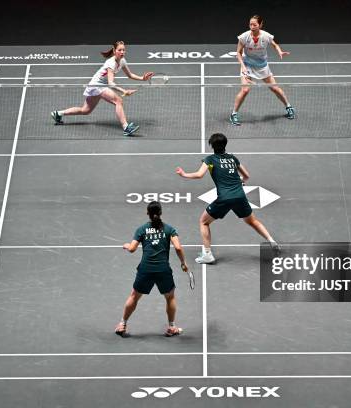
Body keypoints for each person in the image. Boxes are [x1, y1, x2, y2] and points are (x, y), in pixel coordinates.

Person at [176, 133, 278, 264]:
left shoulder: (210, 160)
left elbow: (199, 175)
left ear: (212, 146)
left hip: (224, 198)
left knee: (203, 222)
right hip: (240, 196)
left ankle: (207, 254)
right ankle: (271, 241)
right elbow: (246, 176)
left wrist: (184, 174)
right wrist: (240, 181)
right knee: (252, 221)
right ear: (225, 145)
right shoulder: (232, 159)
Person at [116, 201, 189, 337]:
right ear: (161, 213)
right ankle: (172, 327)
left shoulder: (142, 229)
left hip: (145, 270)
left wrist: (126, 245)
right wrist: (183, 263)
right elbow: (178, 247)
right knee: (170, 297)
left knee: (134, 296)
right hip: (163, 270)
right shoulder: (169, 229)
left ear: (147, 213)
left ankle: (122, 324)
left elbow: (132, 249)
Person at [51, 41, 153, 136]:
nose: (122, 52)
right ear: (114, 51)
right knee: (118, 101)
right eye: (119, 50)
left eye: (123, 50)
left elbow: (130, 75)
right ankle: (126, 128)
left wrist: (142, 78)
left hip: (98, 85)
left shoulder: (122, 61)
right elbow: (111, 83)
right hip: (96, 85)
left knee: (85, 110)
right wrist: (124, 91)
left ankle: (58, 113)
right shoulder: (111, 63)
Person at [230, 15, 295, 126]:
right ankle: (234, 114)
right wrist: (243, 67)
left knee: (275, 88)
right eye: (250, 24)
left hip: (262, 66)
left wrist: (279, 51)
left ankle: (289, 107)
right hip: (248, 65)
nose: (252, 26)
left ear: (260, 24)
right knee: (245, 90)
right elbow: (239, 53)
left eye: (255, 24)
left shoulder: (266, 36)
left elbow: (274, 44)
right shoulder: (244, 37)